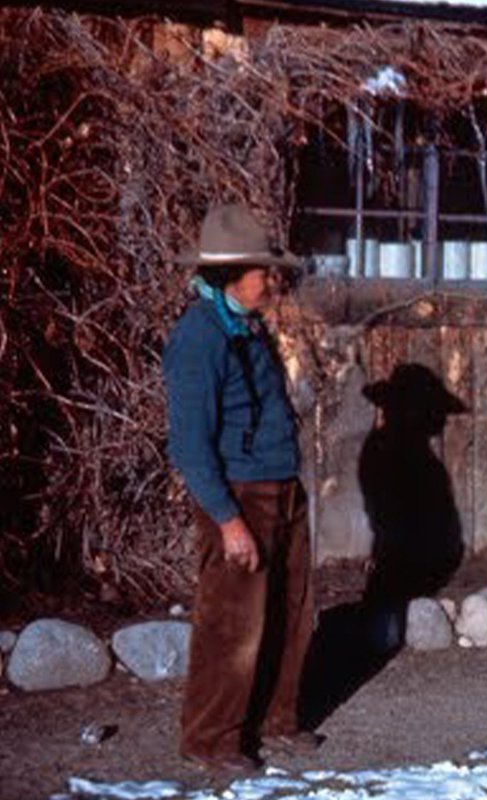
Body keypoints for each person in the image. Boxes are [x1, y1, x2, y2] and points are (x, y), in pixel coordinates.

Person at [164, 203, 321, 775]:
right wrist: (228, 520)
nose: (271, 280)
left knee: (290, 610)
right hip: (238, 494)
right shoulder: (198, 339)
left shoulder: (248, 329)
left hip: (281, 487)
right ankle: (210, 738)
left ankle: (276, 720)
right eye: (261, 271)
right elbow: (188, 444)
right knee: (232, 622)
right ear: (229, 274)